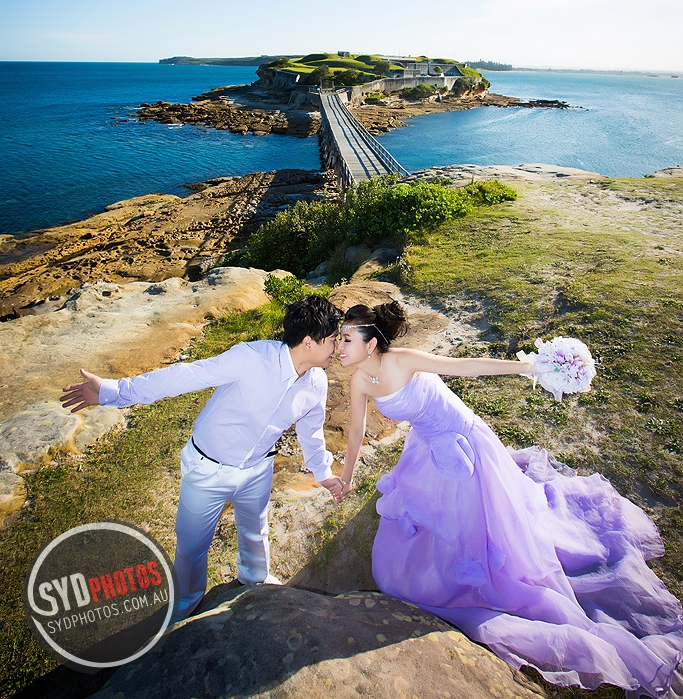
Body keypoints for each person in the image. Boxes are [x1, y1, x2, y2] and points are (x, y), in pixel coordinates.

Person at [337, 300, 683, 698]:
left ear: (371, 343)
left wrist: (528, 367)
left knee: (491, 523)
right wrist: (345, 477)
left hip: (467, 440)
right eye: (340, 339)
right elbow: (356, 431)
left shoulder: (403, 360)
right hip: (431, 446)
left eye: (347, 339)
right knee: (431, 528)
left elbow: (466, 366)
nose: (339, 346)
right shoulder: (360, 380)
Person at [60, 295, 345, 618]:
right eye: (333, 339)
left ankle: (254, 580)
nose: (337, 347)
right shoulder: (251, 358)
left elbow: (311, 431)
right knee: (192, 546)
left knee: (256, 533)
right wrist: (112, 391)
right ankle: (185, 605)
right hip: (208, 468)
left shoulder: (316, 382)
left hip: (258, 469)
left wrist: (323, 474)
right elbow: (185, 376)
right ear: (308, 342)